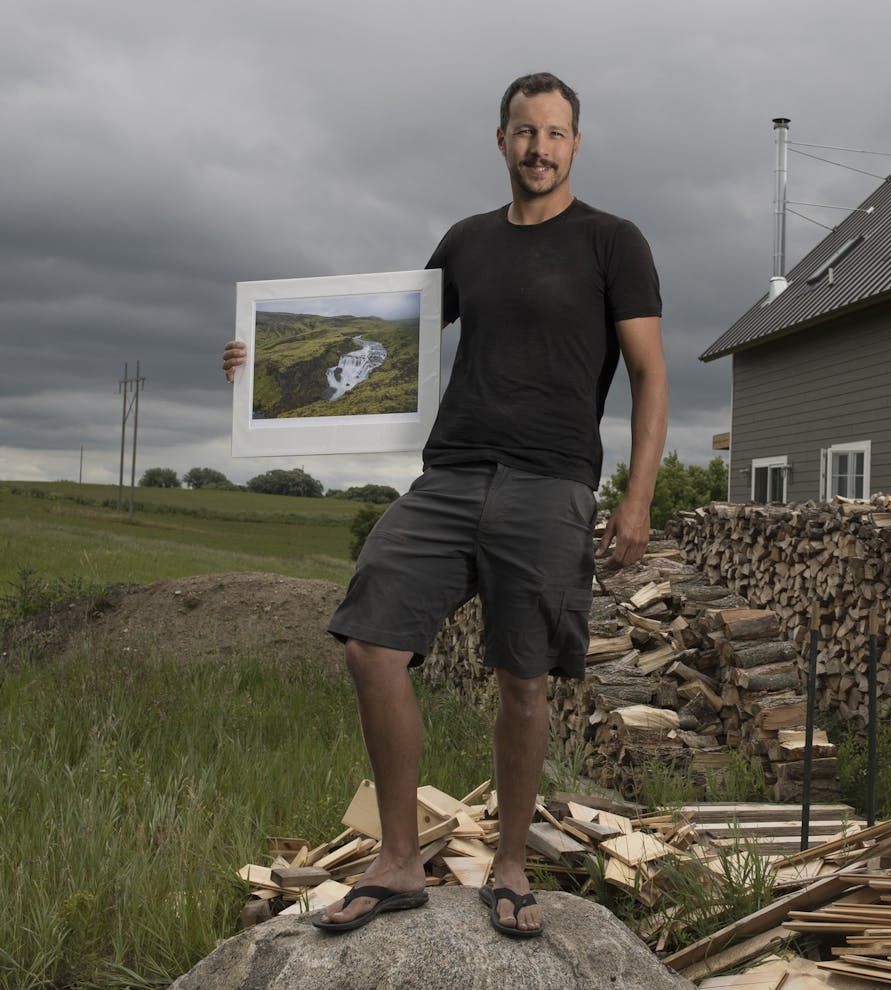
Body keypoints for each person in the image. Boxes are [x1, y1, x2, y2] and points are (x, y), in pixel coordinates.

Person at [222, 72, 668, 938]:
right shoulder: (465, 242)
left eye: (555, 133)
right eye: (524, 132)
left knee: (524, 680)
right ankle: (397, 863)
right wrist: (262, 374)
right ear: (500, 140)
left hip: (550, 481)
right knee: (371, 639)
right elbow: (387, 345)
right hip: (453, 474)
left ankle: (508, 867)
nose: (539, 148)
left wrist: (638, 498)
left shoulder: (615, 242)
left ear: (576, 144)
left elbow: (651, 376)